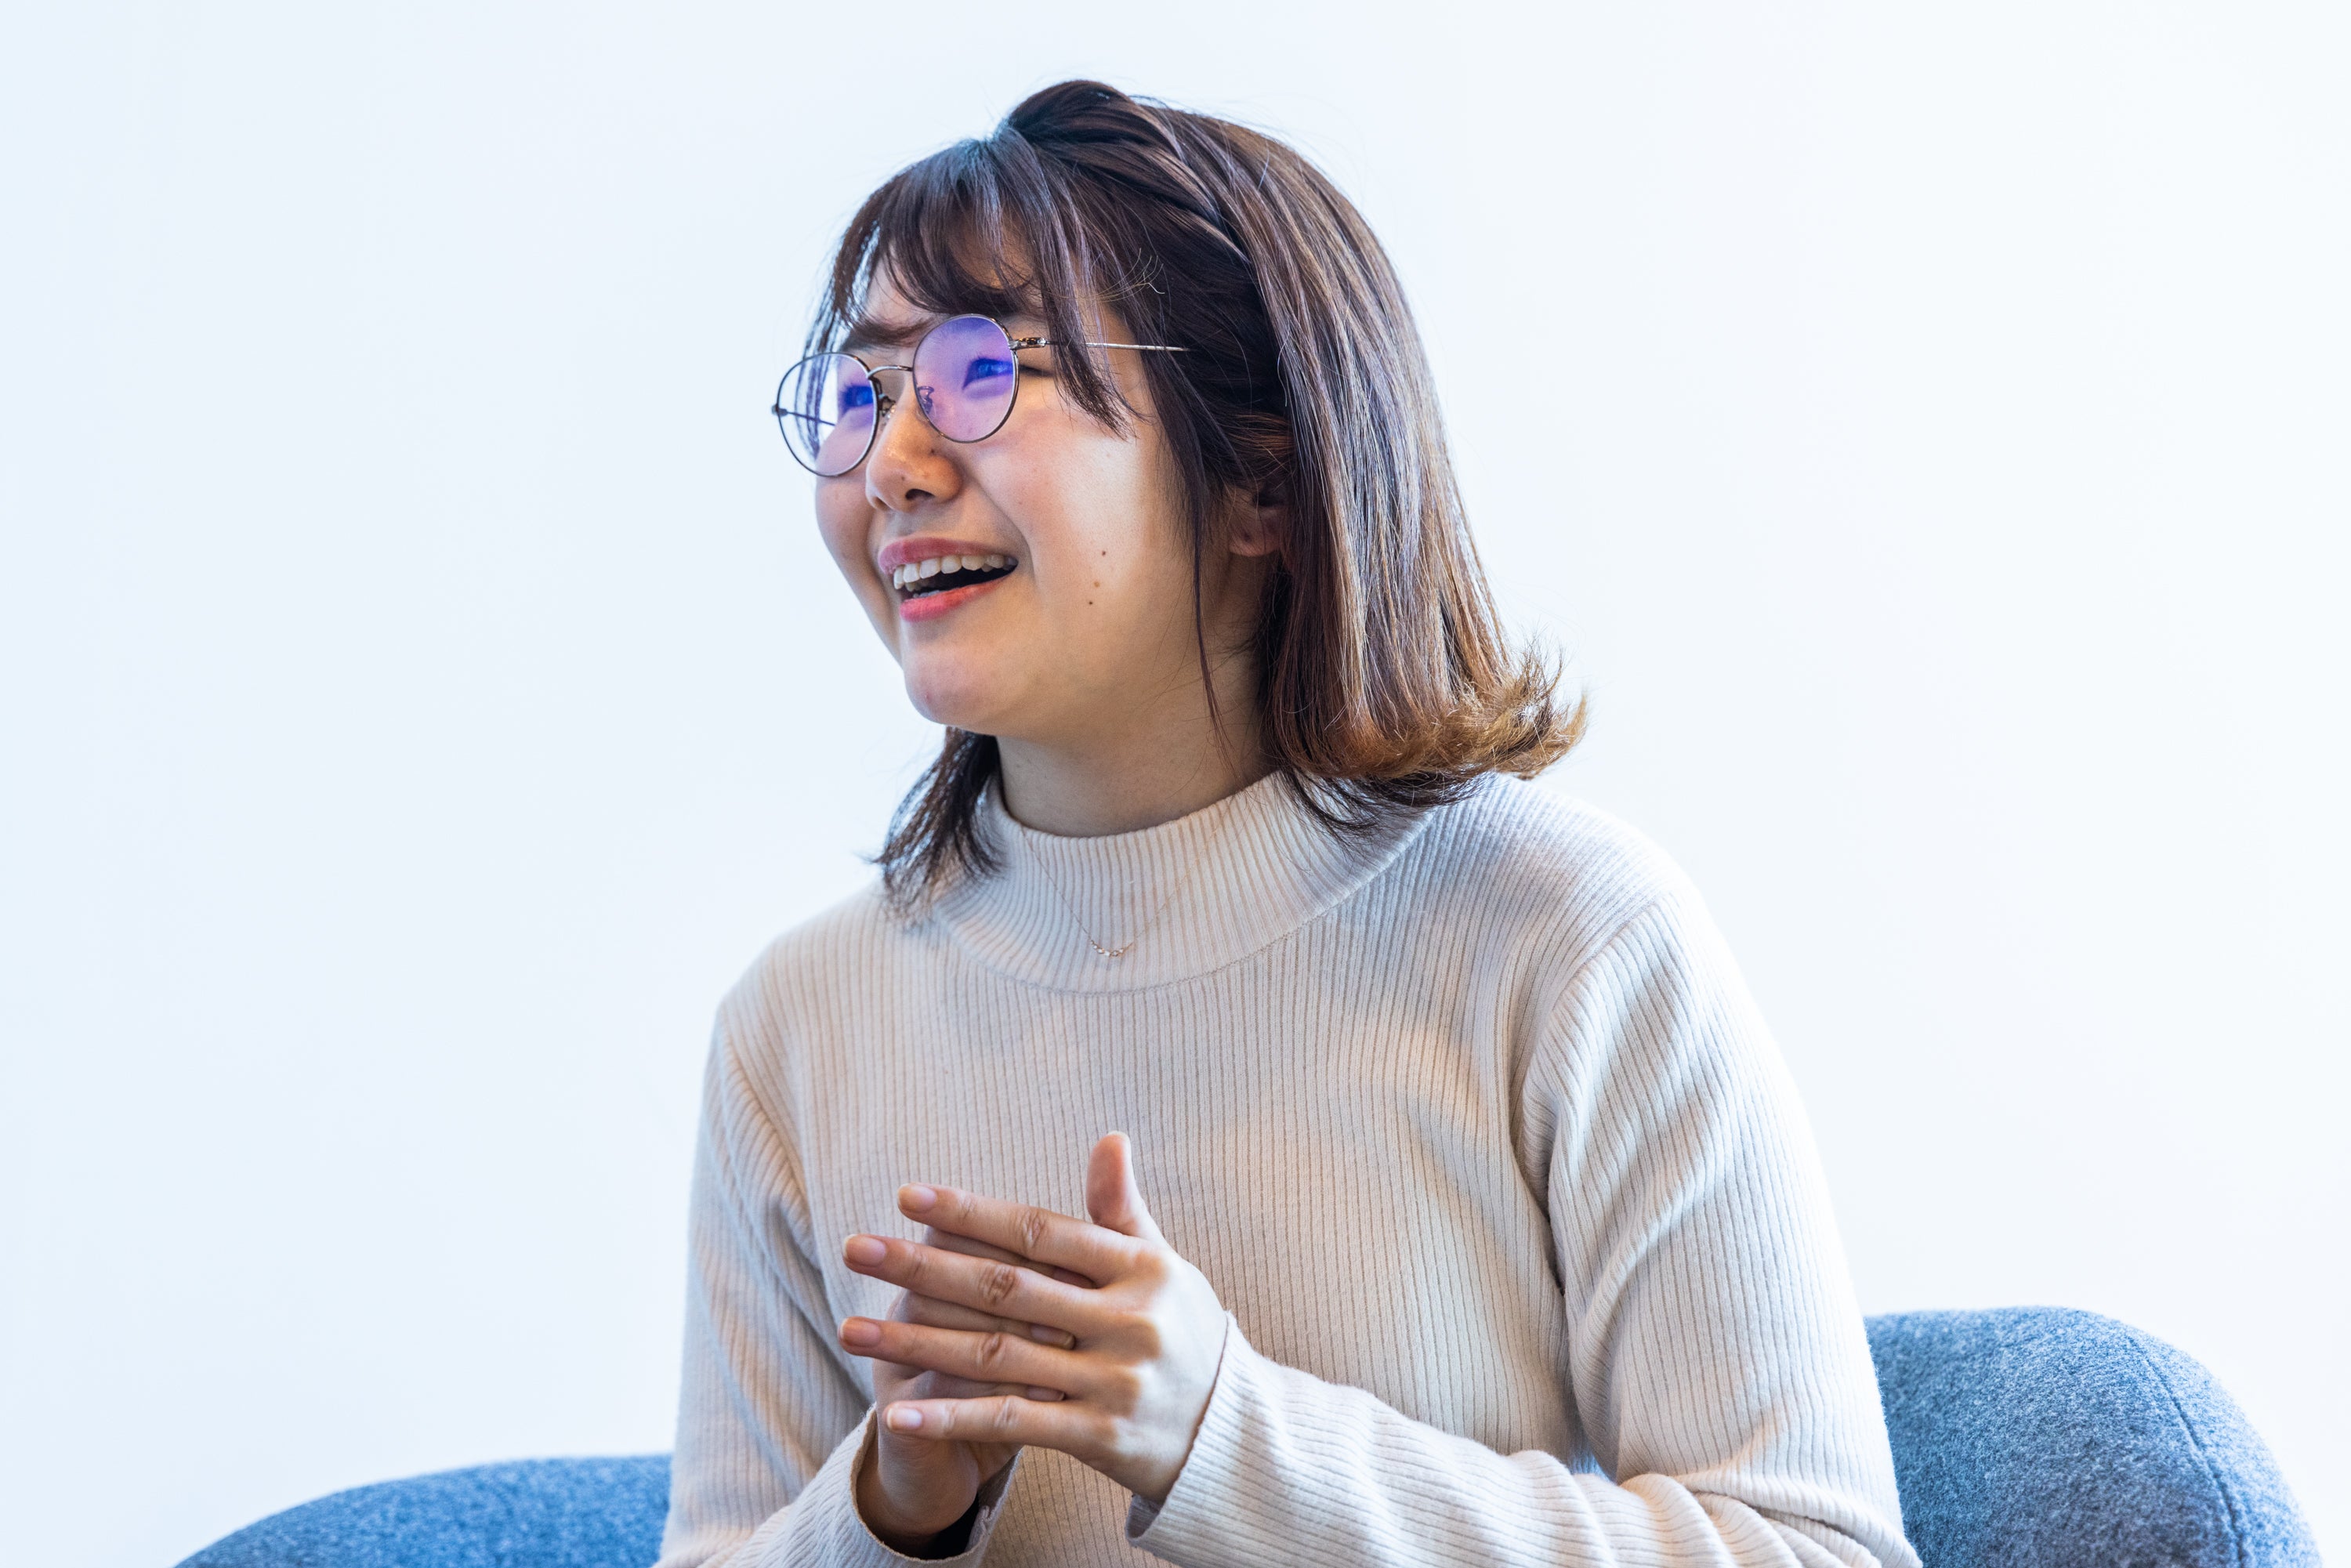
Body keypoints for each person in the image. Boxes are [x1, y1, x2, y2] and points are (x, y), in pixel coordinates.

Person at [654, 79, 1918, 1568]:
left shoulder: (1571, 938)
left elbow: (1821, 1552)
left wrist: (1228, 1441)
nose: (892, 465)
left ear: (1260, 471)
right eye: (863, 393)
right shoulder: (792, 1029)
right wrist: (885, 1507)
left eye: (984, 370)